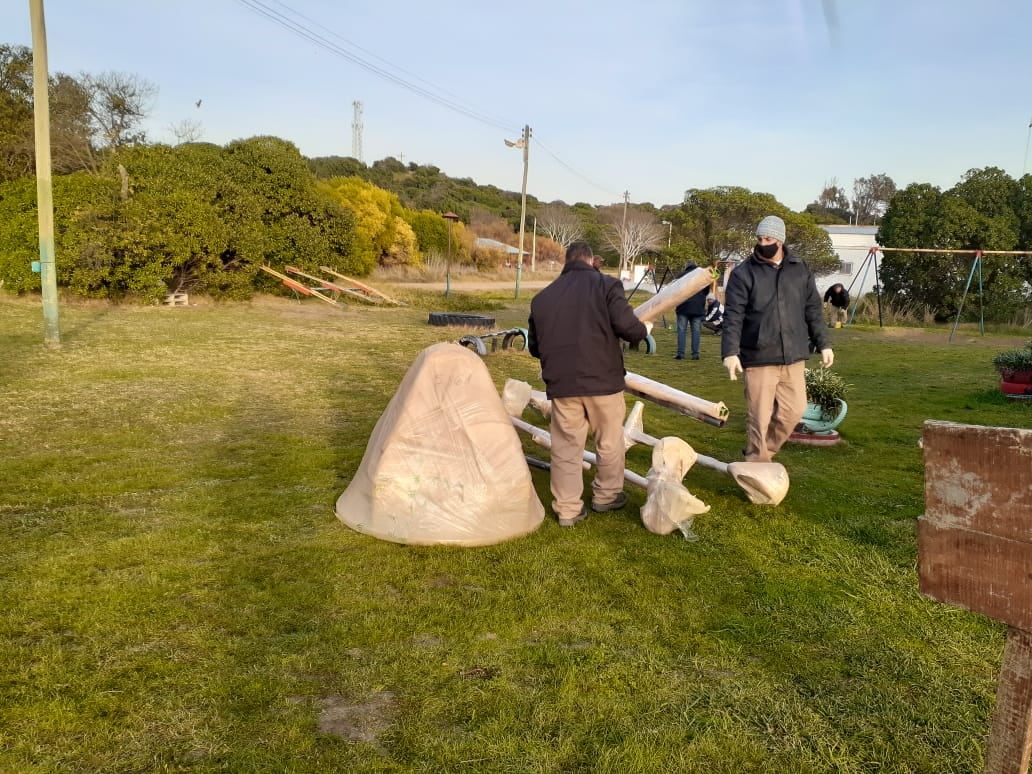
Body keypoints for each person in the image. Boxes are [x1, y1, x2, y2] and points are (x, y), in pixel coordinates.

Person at [528, 241, 652, 527]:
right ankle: (606, 496)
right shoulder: (607, 286)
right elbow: (629, 328)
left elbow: (535, 348)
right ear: (591, 260)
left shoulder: (542, 299)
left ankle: (568, 509)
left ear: (567, 262)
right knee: (609, 442)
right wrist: (643, 329)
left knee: (566, 447)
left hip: (563, 384)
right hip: (603, 382)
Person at [721, 215, 834, 464]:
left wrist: (824, 343)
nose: (763, 243)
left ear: (780, 241)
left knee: (794, 411)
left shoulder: (800, 269)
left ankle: (763, 452)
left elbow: (813, 310)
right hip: (758, 356)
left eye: (769, 239)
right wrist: (730, 352)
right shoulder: (743, 274)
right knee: (758, 418)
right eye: (760, 239)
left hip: (793, 355)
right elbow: (733, 316)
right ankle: (756, 465)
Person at [673, 262, 707, 360]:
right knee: (696, 331)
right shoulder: (702, 275)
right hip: (698, 308)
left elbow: (675, 290)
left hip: (683, 307)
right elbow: (706, 290)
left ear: (686, 267)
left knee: (682, 331)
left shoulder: (681, 275)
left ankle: (680, 353)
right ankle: (695, 354)